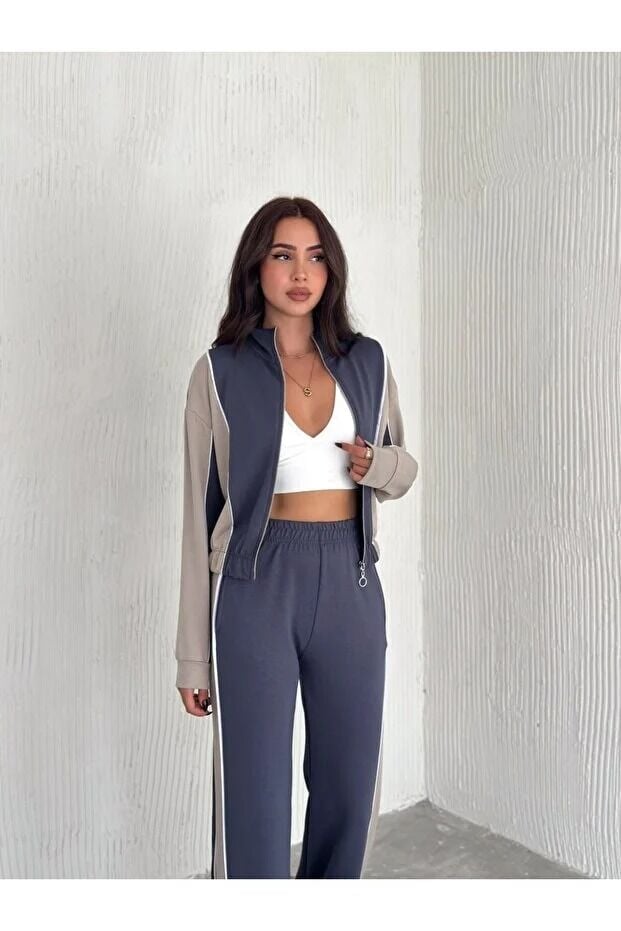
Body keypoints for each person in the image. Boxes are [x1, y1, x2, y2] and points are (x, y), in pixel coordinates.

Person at [174, 196, 419, 879]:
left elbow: (402, 468)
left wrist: (376, 465)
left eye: (315, 256)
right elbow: (197, 517)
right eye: (283, 255)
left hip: (349, 578)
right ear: (257, 267)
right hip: (254, 586)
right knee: (253, 791)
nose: (300, 272)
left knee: (348, 779)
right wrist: (193, 658)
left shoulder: (366, 362)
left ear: (330, 269)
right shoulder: (219, 371)